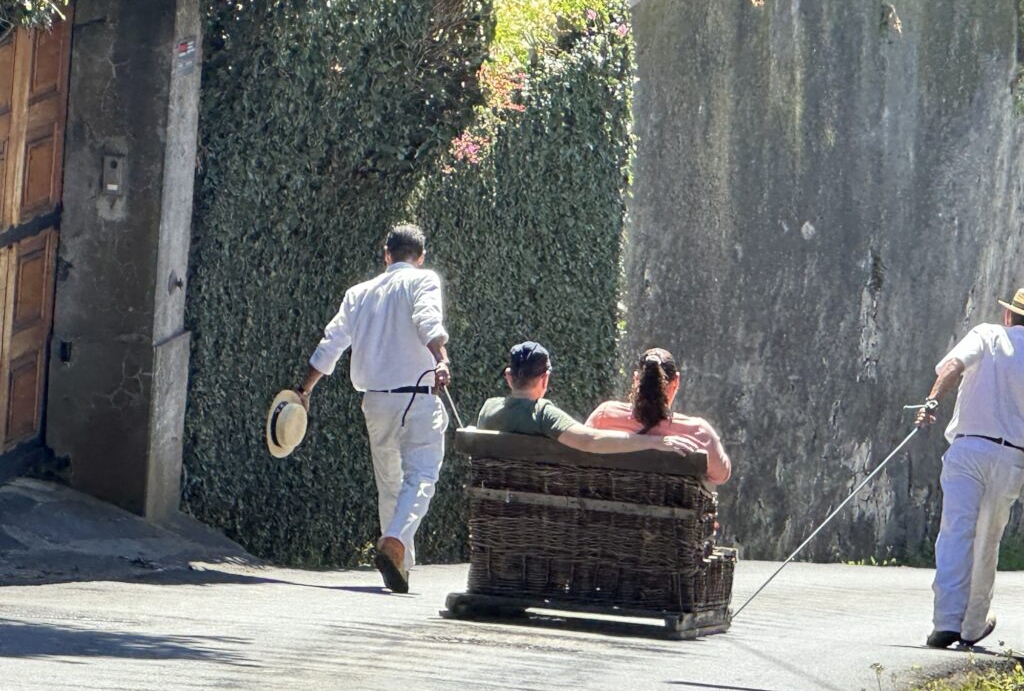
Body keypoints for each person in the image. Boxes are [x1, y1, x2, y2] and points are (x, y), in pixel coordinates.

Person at [296, 224, 450, 594]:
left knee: (389, 484)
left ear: (386, 255)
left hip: (375, 399)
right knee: (422, 475)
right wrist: (441, 359)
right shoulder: (423, 280)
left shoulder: (358, 294)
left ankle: (401, 565)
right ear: (420, 256)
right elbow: (428, 319)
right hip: (417, 394)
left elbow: (331, 343)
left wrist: (304, 390)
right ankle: (395, 541)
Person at [916, 288, 1024, 649]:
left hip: (969, 447)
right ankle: (974, 625)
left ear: (1008, 316)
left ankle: (946, 622)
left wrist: (931, 403)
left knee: (956, 533)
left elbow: (953, 366)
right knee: (988, 541)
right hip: (1011, 458)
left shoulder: (987, 334)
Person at [476, 341, 701, 457]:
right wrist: (655, 442)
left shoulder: (488, 409)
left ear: (508, 376)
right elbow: (589, 441)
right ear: (545, 379)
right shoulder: (543, 414)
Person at [585, 348, 731, 485]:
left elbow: (578, 451)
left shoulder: (605, 415)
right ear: (676, 382)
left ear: (636, 379)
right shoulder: (700, 433)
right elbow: (721, 475)